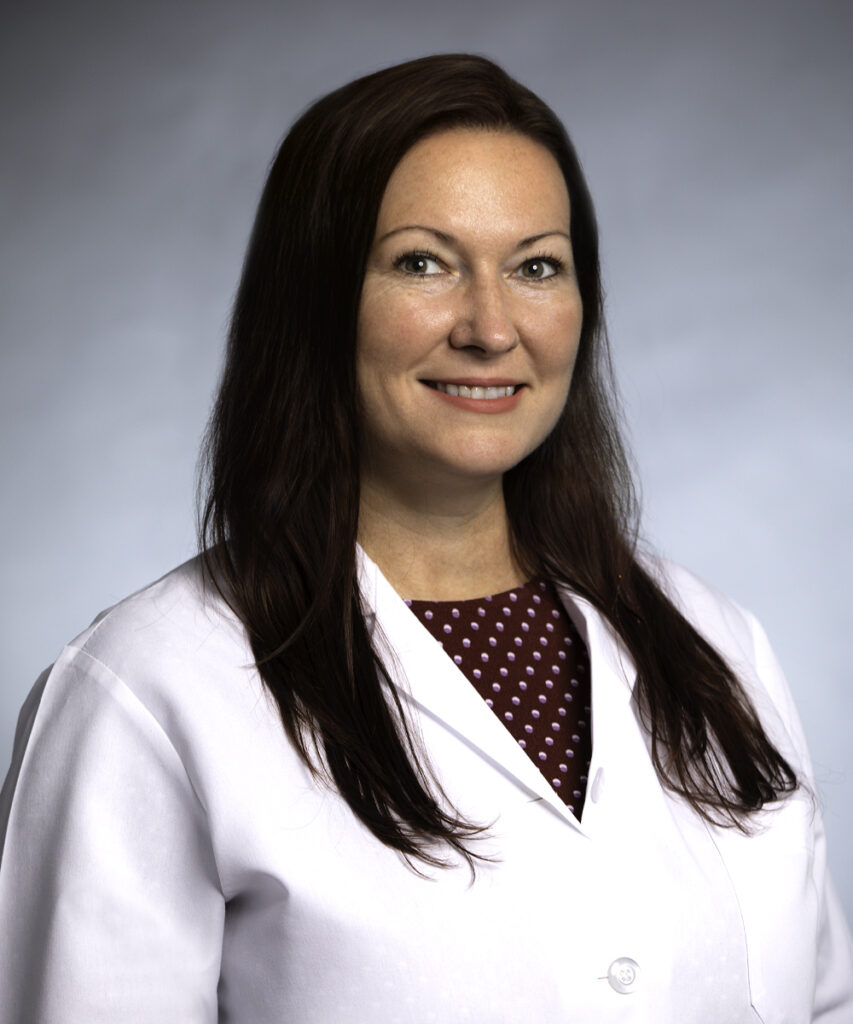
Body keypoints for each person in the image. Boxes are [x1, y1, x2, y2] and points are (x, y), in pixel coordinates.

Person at [0, 53, 851, 1023]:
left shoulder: (715, 644)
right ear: (318, 301)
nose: (491, 328)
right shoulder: (149, 692)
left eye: (536, 266)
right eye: (422, 263)